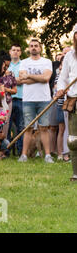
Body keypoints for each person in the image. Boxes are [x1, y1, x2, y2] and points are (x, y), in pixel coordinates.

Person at [18, 39, 54, 163]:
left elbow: (46, 78)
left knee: (44, 128)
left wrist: (29, 76)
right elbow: (22, 79)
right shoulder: (23, 62)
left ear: (40, 48)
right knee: (28, 128)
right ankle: (24, 155)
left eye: (36, 46)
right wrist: (39, 78)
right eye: (31, 46)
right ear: (29, 48)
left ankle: (48, 155)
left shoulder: (47, 62)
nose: (34, 48)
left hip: (43, 99)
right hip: (28, 99)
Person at [56, 25, 77, 181]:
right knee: (73, 139)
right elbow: (63, 78)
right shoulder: (69, 56)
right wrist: (60, 89)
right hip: (73, 99)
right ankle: (76, 174)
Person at [7, 44, 24, 155]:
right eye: (14, 50)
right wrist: (15, 79)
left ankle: (21, 151)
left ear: (21, 52)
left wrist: (9, 79)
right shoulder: (6, 66)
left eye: (18, 50)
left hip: (21, 98)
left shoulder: (24, 65)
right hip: (7, 100)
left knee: (21, 127)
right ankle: (6, 151)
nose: (16, 52)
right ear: (10, 52)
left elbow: (23, 80)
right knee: (6, 127)